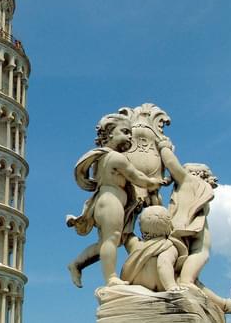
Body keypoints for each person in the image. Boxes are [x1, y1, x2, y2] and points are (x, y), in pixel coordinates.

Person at [66, 113, 164, 287]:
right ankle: (111, 278)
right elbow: (137, 176)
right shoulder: (115, 158)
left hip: (109, 201)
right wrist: (154, 182)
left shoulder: (103, 157)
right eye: (125, 131)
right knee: (111, 240)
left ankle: (77, 264)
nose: (129, 137)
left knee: (110, 241)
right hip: (111, 200)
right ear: (110, 132)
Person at [157, 140, 231, 314]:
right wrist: (163, 147)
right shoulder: (195, 184)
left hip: (187, 233)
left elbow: (171, 163)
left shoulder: (189, 181)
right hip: (194, 237)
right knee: (189, 276)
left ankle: (219, 302)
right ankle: (222, 303)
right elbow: (171, 163)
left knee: (188, 277)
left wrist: (164, 147)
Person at [120, 205, 187, 292]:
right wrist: (171, 286)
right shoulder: (169, 246)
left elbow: (126, 234)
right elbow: (163, 263)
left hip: (137, 286)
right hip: (161, 286)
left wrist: (131, 211)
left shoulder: (136, 245)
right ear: (168, 225)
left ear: (141, 227)